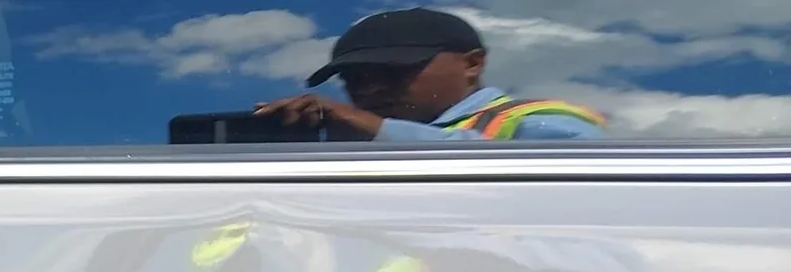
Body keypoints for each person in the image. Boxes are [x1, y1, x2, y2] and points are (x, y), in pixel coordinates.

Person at [256, 8, 605, 142]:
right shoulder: (352, 143)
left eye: (393, 71)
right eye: (354, 78)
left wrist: (377, 130)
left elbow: (563, 197)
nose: (369, 89)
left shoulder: (541, 121)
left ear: (473, 64)